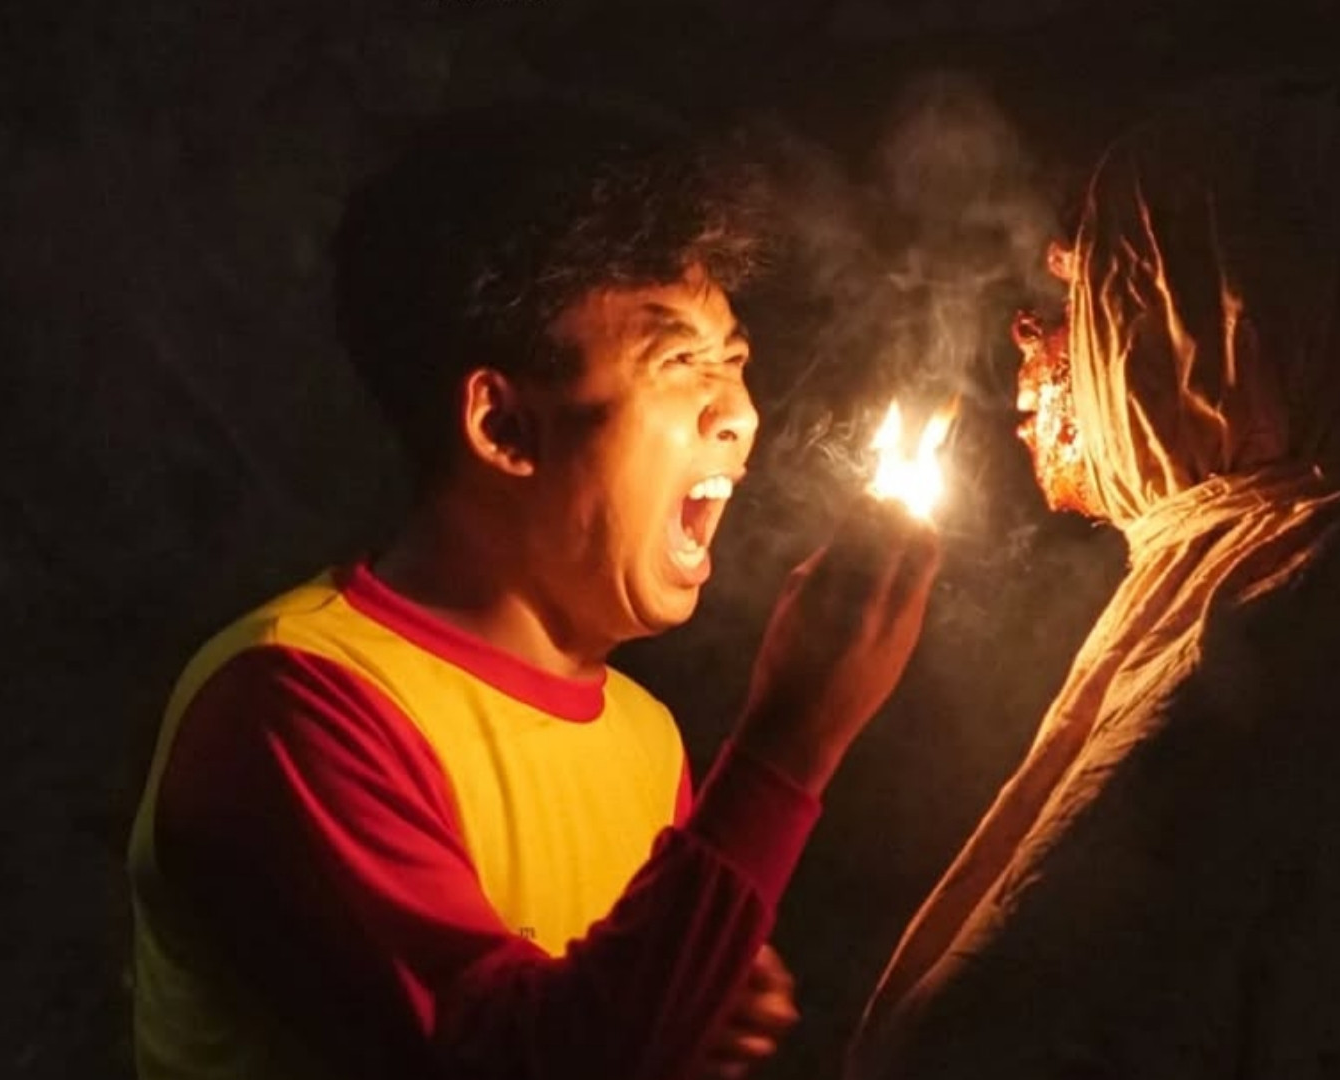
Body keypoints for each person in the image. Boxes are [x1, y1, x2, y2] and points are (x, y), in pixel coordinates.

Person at [125, 99, 939, 1080]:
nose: (739, 414)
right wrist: (789, 745)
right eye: (680, 363)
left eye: (733, 362)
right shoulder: (294, 705)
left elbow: (617, 1032)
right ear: (503, 428)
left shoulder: (645, 742)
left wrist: (688, 996)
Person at [849, 84, 1340, 1079]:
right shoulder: (1338, 591)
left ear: (1228, 327)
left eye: (1093, 293)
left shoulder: (1284, 639)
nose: (1034, 337)